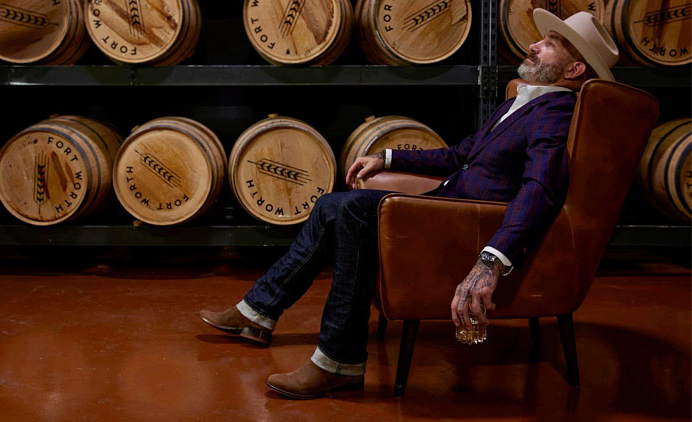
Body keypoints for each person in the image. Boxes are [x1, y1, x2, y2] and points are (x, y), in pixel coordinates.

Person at [199, 9, 620, 399]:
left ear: (574, 69)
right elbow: (461, 154)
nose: (533, 45)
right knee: (333, 205)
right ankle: (260, 313)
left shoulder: (557, 110)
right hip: (444, 211)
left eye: (549, 43)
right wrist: (388, 157)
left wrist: (492, 259)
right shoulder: (520, 101)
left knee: (347, 209)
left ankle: (335, 359)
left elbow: (540, 189)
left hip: (462, 225)